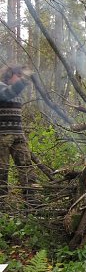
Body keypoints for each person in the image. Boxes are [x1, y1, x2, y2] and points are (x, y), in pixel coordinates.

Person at [0, 64, 38, 207]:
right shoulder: (1, 87)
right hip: (2, 136)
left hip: (18, 135)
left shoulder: (15, 91)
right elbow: (6, 94)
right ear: (10, 75)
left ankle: (32, 201)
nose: (21, 78)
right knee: (2, 171)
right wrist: (24, 81)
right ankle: (2, 204)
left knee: (26, 167)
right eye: (19, 75)